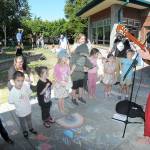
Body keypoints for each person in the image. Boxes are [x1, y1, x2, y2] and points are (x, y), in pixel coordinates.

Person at [8, 71, 37, 138]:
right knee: (22, 123)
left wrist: (27, 94)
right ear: (13, 81)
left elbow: (30, 92)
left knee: (29, 120)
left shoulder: (25, 86)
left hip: (27, 109)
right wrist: (17, 99)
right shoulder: (13, 91)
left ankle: (31, 128)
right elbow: (10, 101)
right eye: (18, 81)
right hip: (20, 112)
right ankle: (24, 131)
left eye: (22, 80)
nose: (20, 83)